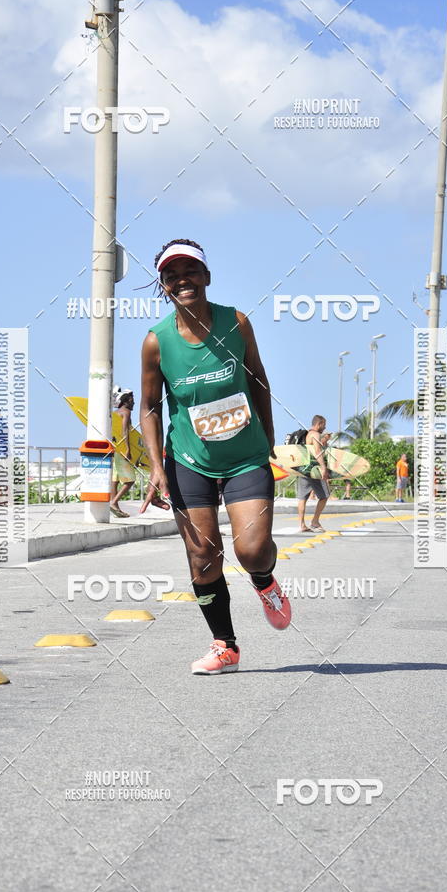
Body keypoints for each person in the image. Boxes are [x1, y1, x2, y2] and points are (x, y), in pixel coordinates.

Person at [139, 238, 291, 675]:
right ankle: (225, 646)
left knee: (253, 550)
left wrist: (268, 440)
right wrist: (155, 465)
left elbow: (258, 379)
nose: (181, 280)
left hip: (246, 457)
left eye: (190, 271)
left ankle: (265, 582)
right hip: (189, 460)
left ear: (206, 277)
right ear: (164, 286)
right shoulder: (156, 342)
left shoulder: (236, 322)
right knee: (203, 556)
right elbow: (150, 406)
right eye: (171, 275)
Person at [296, 417, 330, 532]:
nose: (325, 427)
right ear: (319, 424)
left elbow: (313, 448)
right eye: (324, 424)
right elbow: (317, 451)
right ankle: (315, 521)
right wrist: (323, 467)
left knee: (302, 498)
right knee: (324, 496)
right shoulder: (315, 434)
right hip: (314, 470)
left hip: (303, 469)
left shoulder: (308, 434)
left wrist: (325, 440)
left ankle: (301, 525)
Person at [110, 388, 136, 519]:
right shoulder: (126, 412)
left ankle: (116, 508)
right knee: (130, 480)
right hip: (122, 450)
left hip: (114, 450)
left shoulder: (115, 413)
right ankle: (114, 503)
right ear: (125, 401)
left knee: (114, 480)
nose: (134, 403)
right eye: (132, 400)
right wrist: (128, 449)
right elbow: (125, 430)